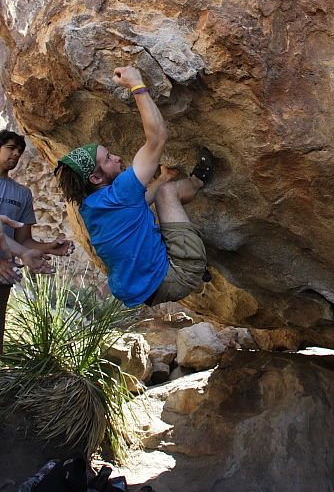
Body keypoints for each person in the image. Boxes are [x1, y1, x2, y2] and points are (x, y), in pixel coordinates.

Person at [54, 66, 214, 309]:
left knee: (160, 190)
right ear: (96, 178)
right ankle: (197, 181)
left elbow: (135, 207)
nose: (117, 158)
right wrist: (136, 85)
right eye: (108, 159)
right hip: (180, 273)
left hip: (146, 292)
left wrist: (160, 178)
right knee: (167, 192)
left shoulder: (91, 207)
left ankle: (174, 196)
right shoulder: (121, 191)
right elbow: (157, 137)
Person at [0, 129, 75, 352]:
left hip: (4, 273)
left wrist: (48, 248)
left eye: (20, 152)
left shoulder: (22, 194)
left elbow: (24, 240)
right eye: (10, 148)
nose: (15, 155)